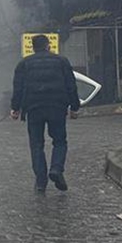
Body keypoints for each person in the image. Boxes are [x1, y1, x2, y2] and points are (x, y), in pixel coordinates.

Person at [10, 34, 80, 192]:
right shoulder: (62, 62)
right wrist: (74, 107)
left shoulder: (24, 64)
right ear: (48, 45)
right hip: (57, 107)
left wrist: (15, 108)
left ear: (33, 48)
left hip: (34, 108)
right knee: (60, 141)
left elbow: (18, 88)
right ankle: (56, 169)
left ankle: (41, 181)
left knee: (36, 144)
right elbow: (71, 85)